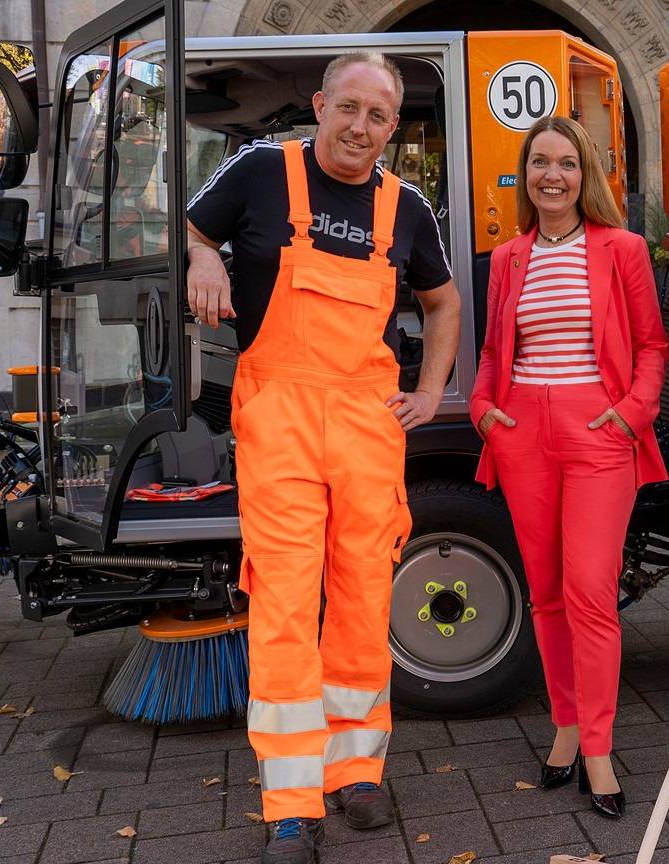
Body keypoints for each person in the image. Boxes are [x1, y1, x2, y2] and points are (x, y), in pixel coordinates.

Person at [184, 52, 461, 864]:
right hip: (281, 416)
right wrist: (204, 256)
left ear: (391, 128)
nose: (361, 129)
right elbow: (190, 227)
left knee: (364, 595)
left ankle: (357, 771)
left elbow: (441, 303)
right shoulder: (261, 171)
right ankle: (291, 805)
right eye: (349, 110)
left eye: (379, 117)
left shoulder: (406, 206)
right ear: (319, 105)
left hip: (368, 423)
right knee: (283, 602)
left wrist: (433, 390)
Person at [469, 115, 668, 819]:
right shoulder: (508, 258)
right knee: (547, 592)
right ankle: (562, 726)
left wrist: (631, 413)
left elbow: (652, 346)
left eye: (566, 163)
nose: (552, 175)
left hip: (596, 431)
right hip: (521, 430)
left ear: (587, 175)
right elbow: (495, 351)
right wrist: (483, 406)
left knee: (589, 590)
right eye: (539, 163)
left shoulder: (622, 249)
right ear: (526, 176)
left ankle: (598, 747)